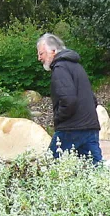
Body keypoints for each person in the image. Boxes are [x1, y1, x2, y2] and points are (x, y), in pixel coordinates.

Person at [37, 33, 103, 164]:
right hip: (90, 126)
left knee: (50, 166)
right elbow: (93, 99)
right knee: (96, 170)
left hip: (71, 128)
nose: (39, 58)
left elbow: (69, 100)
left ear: (53, 51)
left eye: (41, 54)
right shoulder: (76, 66)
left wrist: (58, 118)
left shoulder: (60, 68)